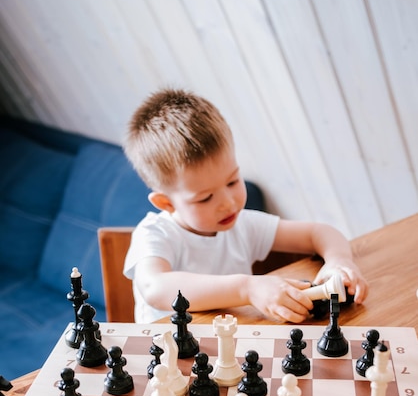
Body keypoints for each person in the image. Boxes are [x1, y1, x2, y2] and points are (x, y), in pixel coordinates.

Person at [123, 88, 368, 323]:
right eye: (205, 198)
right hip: (166, 354)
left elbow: (319, 232)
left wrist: (338, 261)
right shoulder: (154, 234)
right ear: (166, 203)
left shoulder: (243, 224)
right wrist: (247, 288)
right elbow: (154, 287)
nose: (228, 203)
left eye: (232, 181)